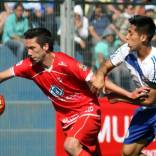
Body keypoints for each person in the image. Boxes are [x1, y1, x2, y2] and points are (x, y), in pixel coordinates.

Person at [0, 27, 101, 156]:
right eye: (27, 49)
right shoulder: (28, 66)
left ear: (45, 46)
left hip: (87, 110)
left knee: (70, 146)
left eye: (32, 48)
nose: (29, 53)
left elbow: (97, 80)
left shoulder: (65, 62)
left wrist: (128, 95)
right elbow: (2, 76)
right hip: (68, 119)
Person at [91, 15, 156, 156]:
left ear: (143, 38)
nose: (126, 37)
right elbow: (105, 66)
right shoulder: (126, 49)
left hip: (151, 104)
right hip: (147, 109)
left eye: (131, 33)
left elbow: (151, 99)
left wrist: (120, 98)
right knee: (128, 153)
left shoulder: (154, 63)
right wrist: (100, 76)